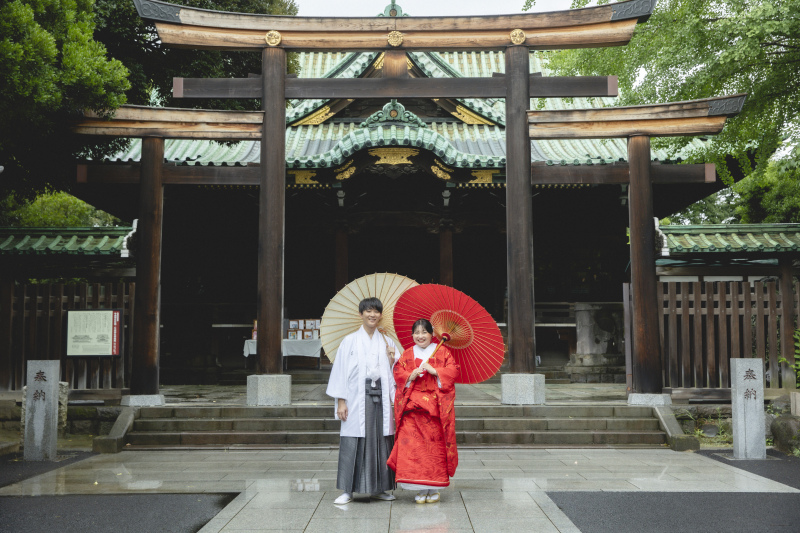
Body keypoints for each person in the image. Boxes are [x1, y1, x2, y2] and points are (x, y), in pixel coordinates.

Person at [326, 297, 399, 505]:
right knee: (353, 441)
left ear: (381, 315)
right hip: (356, 397)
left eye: (376, 311)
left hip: (381, 399)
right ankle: (348, 490)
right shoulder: (349, 341)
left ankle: (379, 488)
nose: (372, 315)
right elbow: (340, 372)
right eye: (368, 311)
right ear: (361, 314)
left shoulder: (387, 341)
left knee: (382, 441)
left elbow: (398, 373)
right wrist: (341, 402)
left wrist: (393, 360)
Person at [388, 319, 460, 504]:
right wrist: (409, 376)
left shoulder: (442, 351)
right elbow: (398, 372)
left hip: (434, 410)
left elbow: (453, 371)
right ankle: (419, 488)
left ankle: (433, 488)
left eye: (424, 332)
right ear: (412, 335)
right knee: (413, 449)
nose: (420, 336)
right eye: (416, 332)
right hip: (412, 410)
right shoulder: (407, 354)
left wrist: (435, 371)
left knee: (433, 450)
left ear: (432, 334)